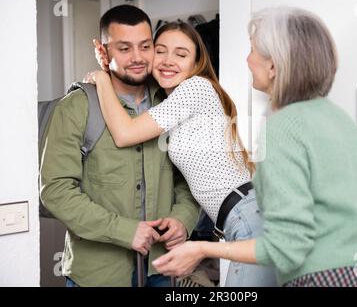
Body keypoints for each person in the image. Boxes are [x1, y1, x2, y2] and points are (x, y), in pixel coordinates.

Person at [149, 7, 357, 287]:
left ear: (273, 66)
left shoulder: (283, 126)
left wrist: (202, 249)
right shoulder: (338, 117)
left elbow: (286, 247)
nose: (247, 59)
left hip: (324, 278)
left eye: (253, 50)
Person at [88, 21, 278, 287]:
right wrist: (114, 64)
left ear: (196, 62)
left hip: (247, 215)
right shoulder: (173, 101)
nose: (168, 61)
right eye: (161, 51)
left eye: (181, 54)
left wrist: (101, 78)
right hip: (241, 216)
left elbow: (125, 134)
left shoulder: (195, 89)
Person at [39, 5, 200, 287]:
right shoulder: (76, 107)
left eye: (145, 46)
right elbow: (55, 190)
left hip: (161, 268)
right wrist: (124, 231)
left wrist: (182, 219)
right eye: (124, 48)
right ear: (103, 51)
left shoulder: (172, 103)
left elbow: (187, 179)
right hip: (97, 275)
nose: (137, 58)